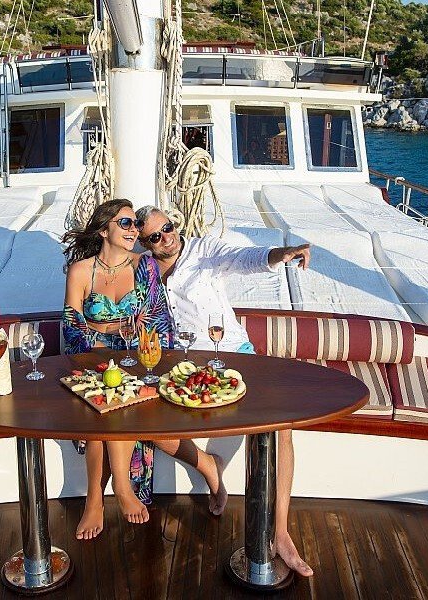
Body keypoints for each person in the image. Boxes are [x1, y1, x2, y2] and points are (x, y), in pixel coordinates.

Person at [135, 205, 315, 577]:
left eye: (167, 227)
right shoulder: (144, 270)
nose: (166, 236)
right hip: (181, 367)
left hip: (234, 356)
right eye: (155, 236)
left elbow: (242, 258)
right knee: (140, 421)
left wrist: (278, 255)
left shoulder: (202, 252)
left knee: (281, 425)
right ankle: (210, 470)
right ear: (145, 243)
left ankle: (280, 532)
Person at [61, 199, 225, 540]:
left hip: (139, 359)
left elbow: (158, 320)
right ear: (104, 229)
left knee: (116, 399)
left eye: (135, 225)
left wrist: (130, 336)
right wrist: (107, 335)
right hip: (94, 358)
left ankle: (100, 498)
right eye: (125, 223)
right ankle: (114, 492)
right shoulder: (81, 270)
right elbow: (71, 325)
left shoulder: (144, 266)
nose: (134, 230)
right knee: (105, 397)